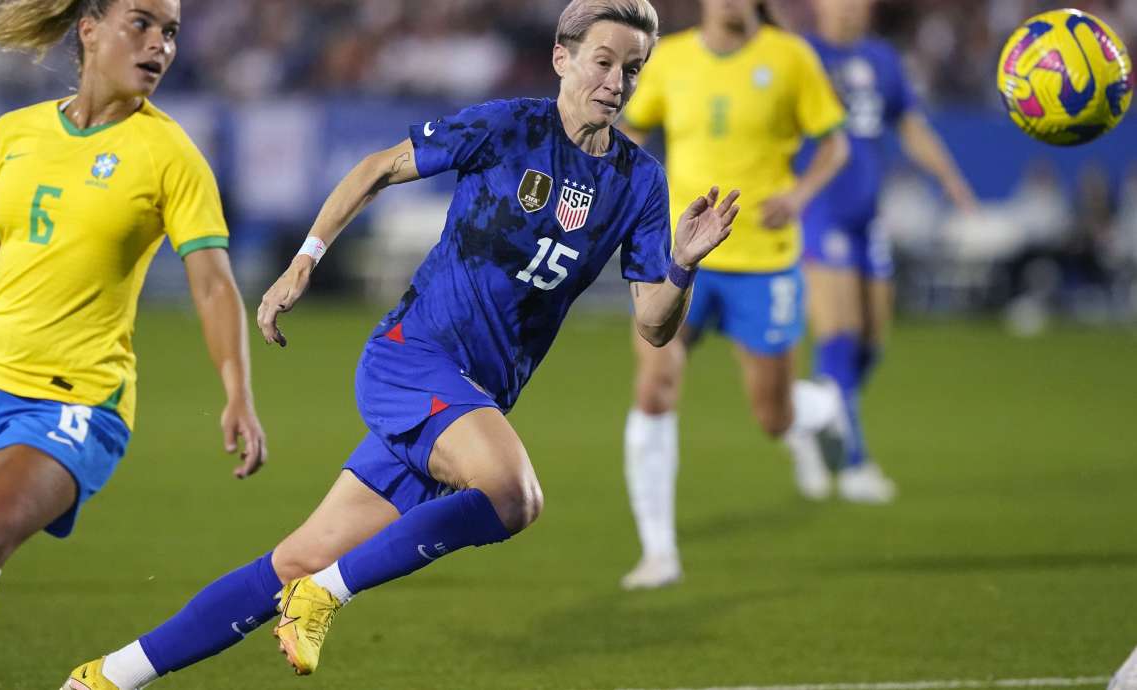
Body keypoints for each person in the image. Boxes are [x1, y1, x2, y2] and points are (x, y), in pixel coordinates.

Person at [63, 1, 740, 687]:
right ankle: (326, 594)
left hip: (466, 400)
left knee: (293, 561)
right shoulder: (508, 127)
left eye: (632, 68)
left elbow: (655, 325)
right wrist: (305, 260)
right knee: (515, 496)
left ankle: (108, 676)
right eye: (603, 62)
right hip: (411, 359)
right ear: (563, 59)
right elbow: (379, 168)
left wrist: (683, 263)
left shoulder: (639, 181)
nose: (616, 83)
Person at [0, 1, 267, 687]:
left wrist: (238, 394)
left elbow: (215, 285)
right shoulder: (13, 134)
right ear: (90, 28)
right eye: (143, 23)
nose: (160, 45)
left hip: (74, 402)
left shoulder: (171, 155)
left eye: (171, 32)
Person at [617, 0, 850, 591]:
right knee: (653, 390)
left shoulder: (790, 57)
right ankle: (659, 553)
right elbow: (631, 132)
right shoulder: (668, 60)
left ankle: (824, 410)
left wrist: (800, 196)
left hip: (764, 263)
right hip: (680, 256)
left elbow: (834, 145)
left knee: (774, 418)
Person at [802, 0, 976, 501]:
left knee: (872, 343)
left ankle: (813, 421)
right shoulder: (800, 55)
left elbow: (910, 126)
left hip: (866, 216)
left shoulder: (881, 59)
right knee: (840, 334)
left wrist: (947, 175)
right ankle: (852, 463)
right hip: (821, 212)